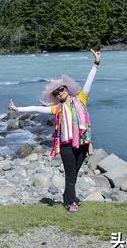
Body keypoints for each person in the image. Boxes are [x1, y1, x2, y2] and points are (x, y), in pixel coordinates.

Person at [9, 49, 101, 212]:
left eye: (62, 89)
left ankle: (67, 197)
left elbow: (89, 82)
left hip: (82, 143)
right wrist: (18, 108)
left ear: (67, 89)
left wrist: (96, 64)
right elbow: (37, 109)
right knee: (70, 175)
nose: (60, 93)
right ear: (55, 96)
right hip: (66, 145)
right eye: (57, 92)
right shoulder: (56, 109)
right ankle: (72, 203)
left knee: (73, 174)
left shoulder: (81, 99)